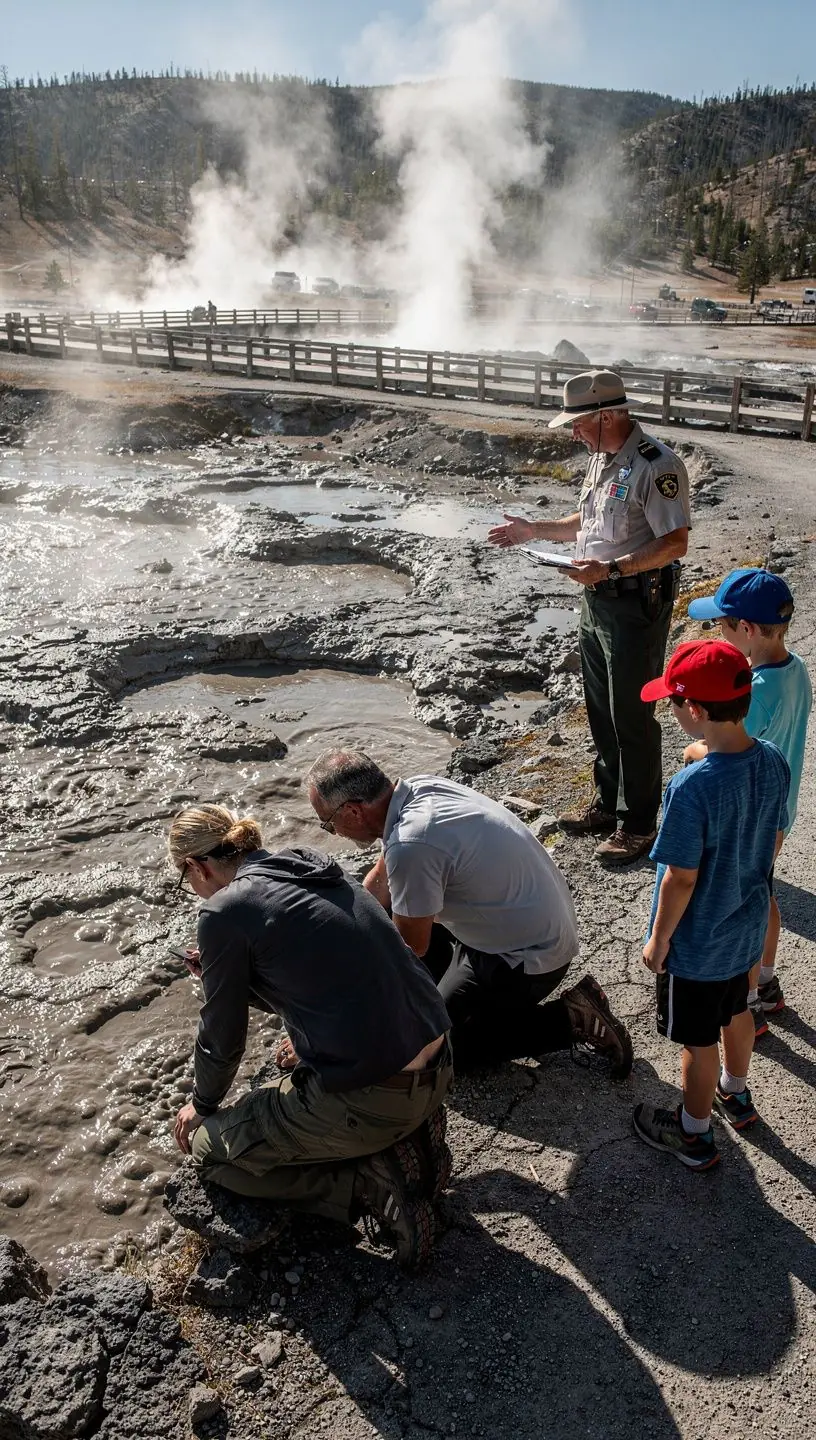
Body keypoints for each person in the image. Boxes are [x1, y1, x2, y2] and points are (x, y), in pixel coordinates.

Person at [168, 803, 453, 1269]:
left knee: (209, 1153)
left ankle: (365, 1185)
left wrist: (201, 1105)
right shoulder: (308, 862)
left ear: (196, 867)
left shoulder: (222, 911)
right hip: (439, 1062)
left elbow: (223, 1038)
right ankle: (408, 1140)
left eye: (186, 880)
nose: (192, 889)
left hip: (378, 1097)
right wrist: (234, 978)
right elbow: (321, 982)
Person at [304, 750, 633, 1078]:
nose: (335, 833)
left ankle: (569, 1019)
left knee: (438, 1053)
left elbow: (408, 949)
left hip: (528, 959)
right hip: (520, 923)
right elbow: (382, 878)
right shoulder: (416, 791)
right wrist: (350, 932)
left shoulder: (411, 845)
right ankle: (443, 1001)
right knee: (390, 921)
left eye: (329, 824)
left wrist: (344, 1009)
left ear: (353, 811)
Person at [488, 369, 690, 865]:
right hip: (596, 598)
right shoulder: (602, 458)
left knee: (632, 715)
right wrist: (533, 530)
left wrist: (612, 568)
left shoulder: (658, 465)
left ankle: (639, 824)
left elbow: (675, 543)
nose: (573, 433)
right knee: (601, 709)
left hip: (634, 604)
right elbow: (590, 520)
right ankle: (607, 803)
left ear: (608, 416)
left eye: (578, 423)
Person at [633, 640, 789, 1170]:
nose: (671, 711)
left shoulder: (690, 789)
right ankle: (735, 1092)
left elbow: (680, 878)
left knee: (697, 1043)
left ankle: (692, 1133)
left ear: (695, 710)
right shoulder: (772, 760)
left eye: (672, 703)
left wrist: (659, 941)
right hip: (746, 925)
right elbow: (772, 834)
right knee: (739, 1010)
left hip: (698, 945)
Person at [685, 568, 812, 1035]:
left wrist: (694, 749)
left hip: (752, 814)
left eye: (721, 623)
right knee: (763, 893)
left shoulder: (757, 692)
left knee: (746, 905)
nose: (718, 630)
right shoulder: (796, 668)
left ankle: (748, 997)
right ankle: (765, 982)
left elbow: (729, 749)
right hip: (780, 808)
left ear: (747, 628)